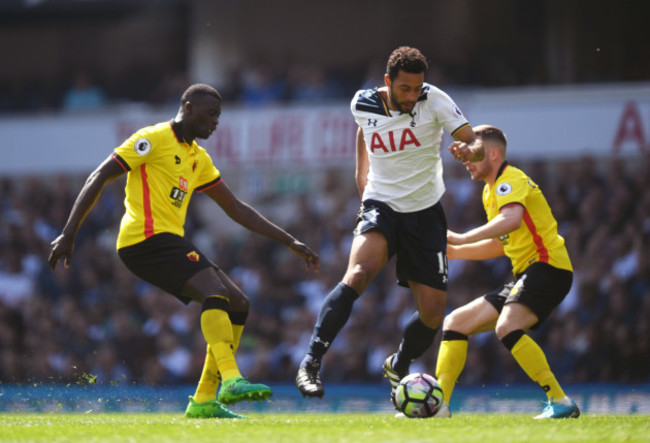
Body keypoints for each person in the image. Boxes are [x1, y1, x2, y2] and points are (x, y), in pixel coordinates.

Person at [48, 83, 320, 419]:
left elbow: (235, 208)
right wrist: (68, 232)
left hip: (169, 241)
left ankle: (205, 400)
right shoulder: (153, 139)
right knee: (215, 291)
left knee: (239, 302)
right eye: (211, 114)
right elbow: (100, 175)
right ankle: (231, 378)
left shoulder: (198, 158)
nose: (216, 122)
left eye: (219, 116)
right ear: (188, 108)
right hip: (142, 240)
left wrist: (288, 240)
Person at [294, 46, 484, 416]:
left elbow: (473, 139)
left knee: (433, 313)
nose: (413, 96)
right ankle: (311, 363)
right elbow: (364, 131)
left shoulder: (435, 101)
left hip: (426, 214)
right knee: (359, 273)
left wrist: (469, 150)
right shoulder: (362, 102)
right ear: (388, 83)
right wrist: (360, 177)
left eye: (418, 88)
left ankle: (399, 362)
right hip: (381, 206)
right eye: (406, 89)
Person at [435, 124, 580, 419]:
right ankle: (439, 406)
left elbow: (511, 220)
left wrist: (462, 237)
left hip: (548, 266)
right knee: (456, 322)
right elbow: (502, 244)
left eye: (473, 154)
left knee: (507, 327)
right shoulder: (490, 192)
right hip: (528, 272)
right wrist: (457, 252)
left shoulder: (510, 180)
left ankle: (560, 401)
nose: (467, 161)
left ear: (494, 153)